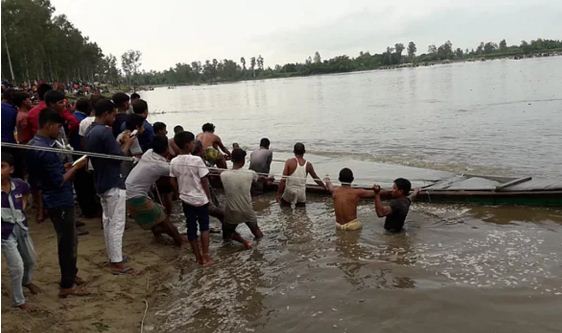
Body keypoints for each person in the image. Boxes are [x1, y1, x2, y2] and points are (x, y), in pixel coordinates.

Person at [27, 108, 90, 297]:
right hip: (59, 199)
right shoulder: (45, 149)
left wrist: (64, 167)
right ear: (48, 125)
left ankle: (72, 273)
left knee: (70, 239)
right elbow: (58, 181)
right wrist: (76, 167)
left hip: (51, 196)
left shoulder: (35, 144)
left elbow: (47, 173)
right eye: (57, 127)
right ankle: (67, 284)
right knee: (67, 242)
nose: (59, 131)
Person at [84, 99, 135, 274]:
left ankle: (114, 256)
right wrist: (128, 142)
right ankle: (116, 262)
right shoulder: (104, 132)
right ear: (106, 114)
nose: (114, 118)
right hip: (113, 180)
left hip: (100, 179)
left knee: (108, 221)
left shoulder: (91, 130)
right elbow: (119, 157)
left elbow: (108, 153)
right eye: (113, 115)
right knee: (117, 223)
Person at [125, 136, 185, 246]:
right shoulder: (160, 166)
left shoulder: (149, 152)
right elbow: (180, 170)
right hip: (136, 197)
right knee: (172, 228)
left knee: (161, 213)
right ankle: (180, 246)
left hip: (130, 193)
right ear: (166, 148)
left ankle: (158, 236)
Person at [1, 153, 41, 310]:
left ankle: (26, 281)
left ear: (11, 169)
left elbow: (26, 192)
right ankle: (19, 300)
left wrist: (22, 207)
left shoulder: (19, 184)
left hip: (21, 228)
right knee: (16, 266)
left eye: (2, 166)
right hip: (4, 232)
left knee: (30, 260)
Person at [170, 131, 213, 266]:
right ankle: (205, 255)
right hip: (200, 199)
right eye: (193, 142)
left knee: (191, 228)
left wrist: (178, 193)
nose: (194, 144)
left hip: (186, 199)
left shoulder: (174, 161)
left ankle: (198, 257)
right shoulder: (197, 160)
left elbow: (172, 180)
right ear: (188, 144)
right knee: (204, 227)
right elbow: (204, 180)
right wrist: (208, 197)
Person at [220, 149, 264, 249]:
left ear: (231, 159)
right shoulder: (251, 173)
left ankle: (240, 243)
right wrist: (267, 180)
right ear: (243, 160)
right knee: (257, 232)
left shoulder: (223, 175)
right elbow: (258, 180)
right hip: (247, 209)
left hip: (232, 211)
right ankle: (261, 248)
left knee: (226, 233)